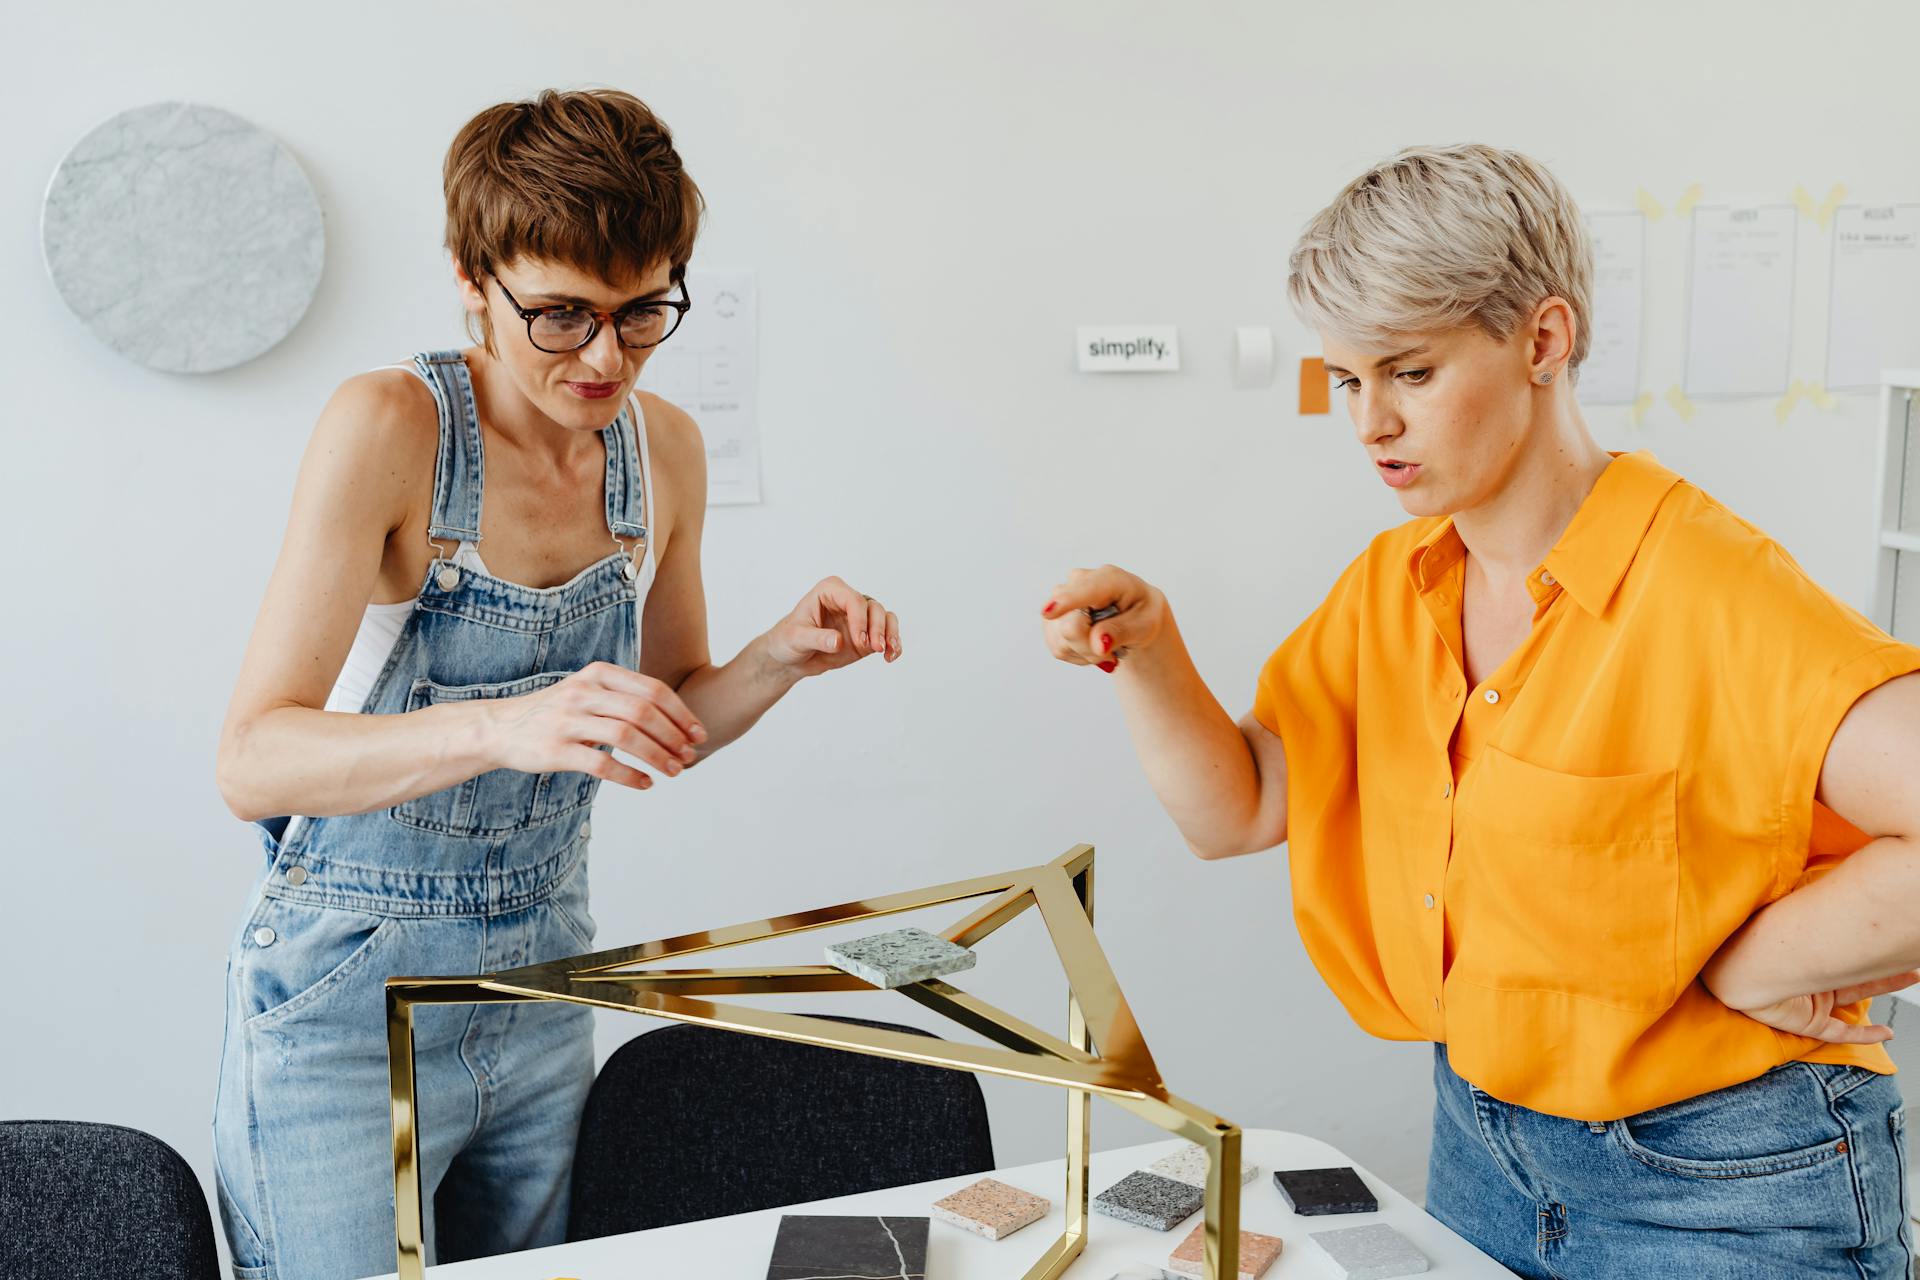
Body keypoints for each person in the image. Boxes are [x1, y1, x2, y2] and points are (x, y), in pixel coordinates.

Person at [1039, 143, 1920, 1277]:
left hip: (1727, 1182)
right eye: (1347, 381)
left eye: (1410, 373)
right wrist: (1149, 653)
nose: (1370, 423)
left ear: (1543, 342)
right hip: (1483, 1148)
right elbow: (1240, 807)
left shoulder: (1714, 590)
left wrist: (1747, 967)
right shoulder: (1393, 586)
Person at [211, 88, 901, 1280]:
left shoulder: (661, 449)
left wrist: (781, 656)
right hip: (348, 1014)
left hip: (541, 986)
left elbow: (668, 714)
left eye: (643, 314)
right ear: (472, 279)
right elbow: (252, 759)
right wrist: (505, 723)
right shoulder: (391, 426)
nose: (605, 358)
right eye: (562, 315)